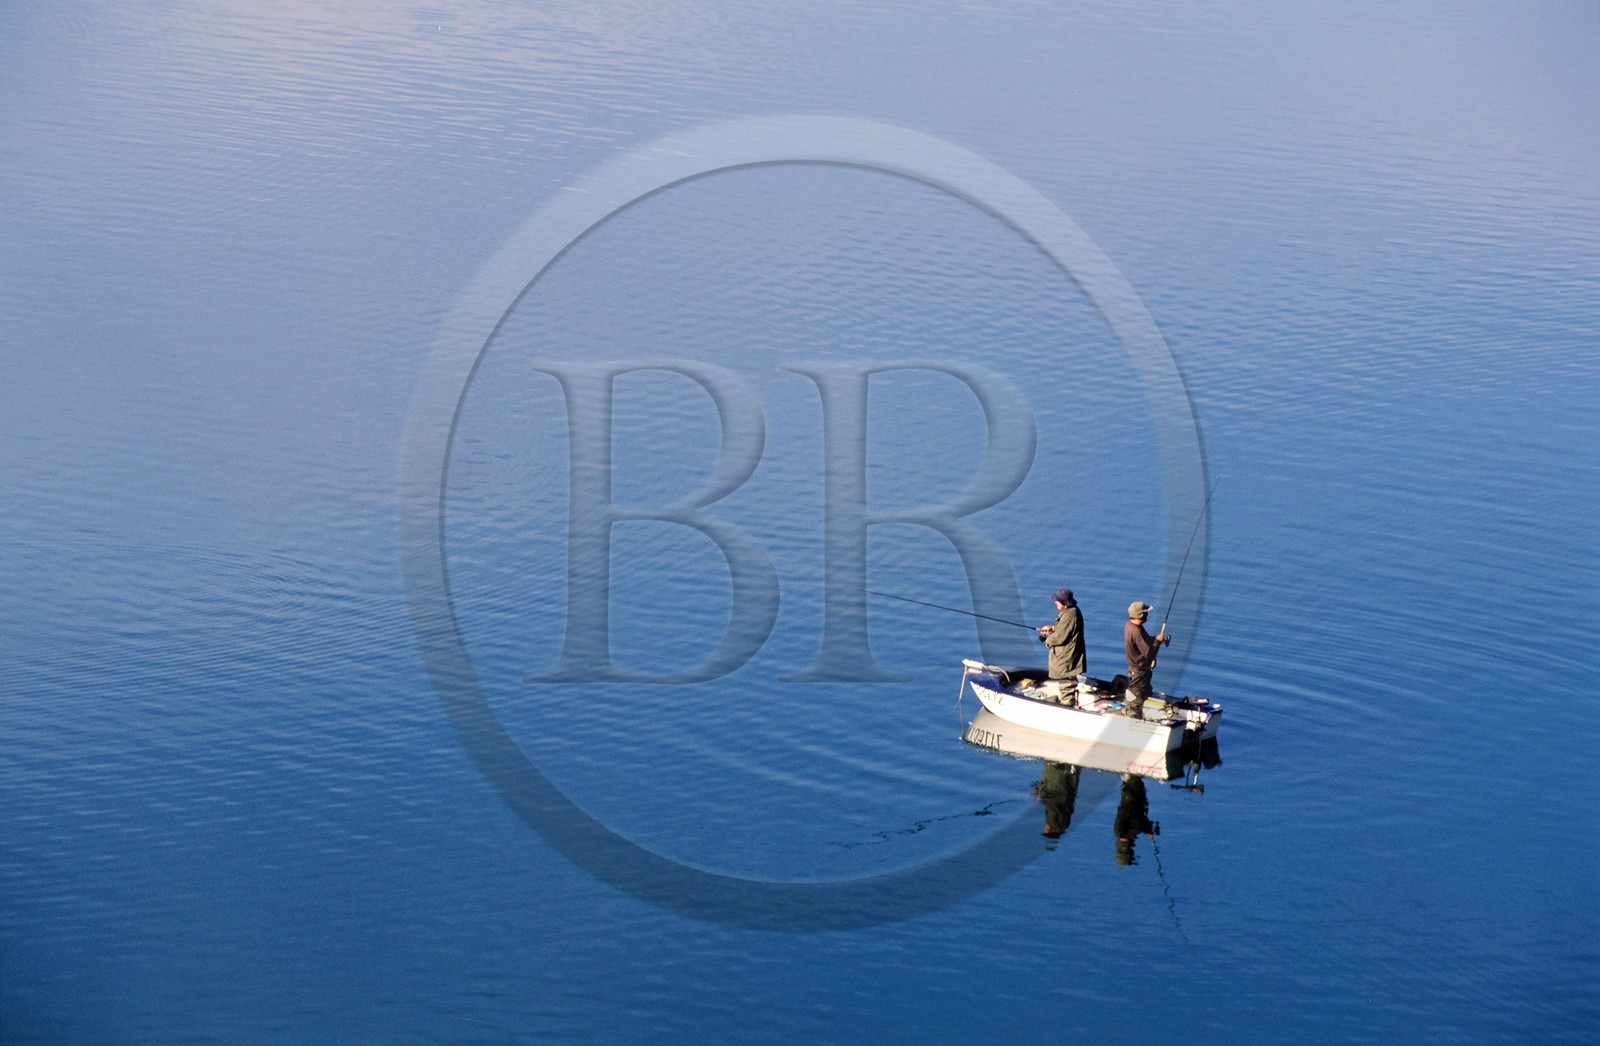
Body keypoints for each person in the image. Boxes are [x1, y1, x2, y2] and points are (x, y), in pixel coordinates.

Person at [1036, 587, 1085, 703]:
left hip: (1067, 657)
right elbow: (1064, 630)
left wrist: (1048, 640)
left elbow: (1060, 637)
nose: (1055, 602)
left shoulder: (1069, 615)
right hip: (1068, 655)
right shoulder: (1070, 612)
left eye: (1057, 601)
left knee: (1067, 683)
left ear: (1064, 602)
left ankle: (1067, 707)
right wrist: (1052, 629)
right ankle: (1066, 703)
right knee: (1066, 682)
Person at [1123, 601, 1170, 719]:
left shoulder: (1130, 626)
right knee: (1135, 699)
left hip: (1135, 669)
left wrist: (1154, 638)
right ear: (1140, 615)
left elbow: (1144, 642)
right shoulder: (1136, 631)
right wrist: (1158, 642)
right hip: (1139, 671)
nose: (1147, 615)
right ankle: (1131, 722)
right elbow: (1148, 653)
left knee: (1142, 694)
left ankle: (1140, 718)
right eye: (1146, 613)